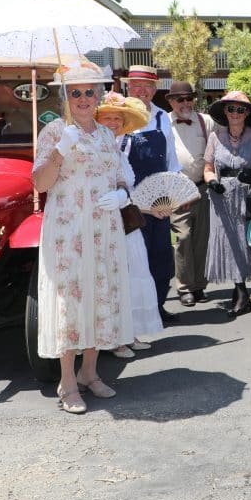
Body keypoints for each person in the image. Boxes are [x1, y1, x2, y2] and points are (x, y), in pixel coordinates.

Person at [31, 61, 134, 415]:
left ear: (99, 95)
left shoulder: (106, 134)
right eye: (75, 91)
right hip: (68, 230)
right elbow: (40, 183)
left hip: (104, 229)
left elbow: (119, 175)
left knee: (99, 294)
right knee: (71, 300)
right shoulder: (54, 131)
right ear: (65, 96)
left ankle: (90, 372)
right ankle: (67, 381)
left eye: (90, 91)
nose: (84, 97)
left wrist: (122, 194)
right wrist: (60, 150)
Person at [95, 92, 165, 359]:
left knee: (132, 277)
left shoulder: (118, 150)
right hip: (107, 222)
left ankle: (129, 333)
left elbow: (128, 189)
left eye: (118, 118)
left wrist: (148, 208)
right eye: (107, 118)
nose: (113, 123)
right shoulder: (96, 149)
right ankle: (114, 338)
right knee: (114, 279)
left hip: (126, 222)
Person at [120, 65, 182, 323]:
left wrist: (173, 193)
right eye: (136, 85)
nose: (142, 91)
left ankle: (157, 307)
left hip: (159, 201)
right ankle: (135, 316)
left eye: (147, 86)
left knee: (162, 258)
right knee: (134, 260)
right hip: (129, 202)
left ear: (155, 89)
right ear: (128, 87)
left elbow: (171, 159)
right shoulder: (118, 116)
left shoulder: (161, 117)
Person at [203, 91, 251, 318]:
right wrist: (212, 182)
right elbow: (208, 169)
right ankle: (241, 291)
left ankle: (241, 291)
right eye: (231, 109)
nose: (235, 113)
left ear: (247, 113)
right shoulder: (215, 137)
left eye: (240, 109)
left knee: (244, 241)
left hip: (247, 195)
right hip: (222, 196)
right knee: (228, 242)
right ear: (225, 111)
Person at [167, 80, 218, 308]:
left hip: (202, 188)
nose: (186, 103)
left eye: (189, 98)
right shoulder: (164, 122)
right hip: (178, 190)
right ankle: (185, 287)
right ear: (171, 101)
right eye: (180, 99)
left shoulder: (205, 121)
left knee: (202, 238)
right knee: (184, 237)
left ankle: (198, 285)